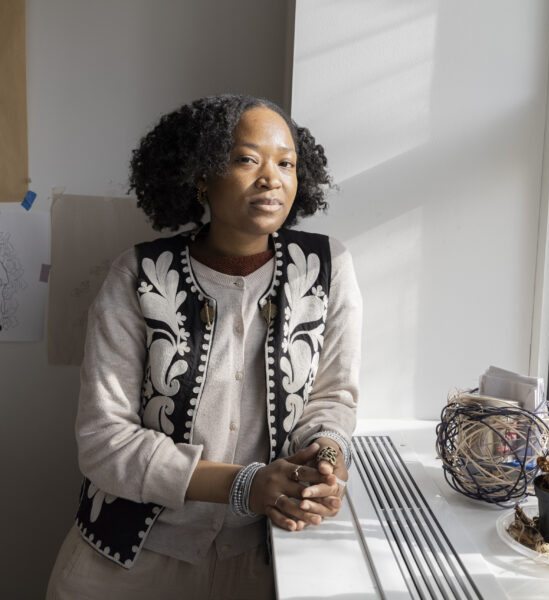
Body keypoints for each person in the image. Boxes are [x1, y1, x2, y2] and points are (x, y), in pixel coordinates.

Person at [46, 94, 362, 599]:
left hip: (262, 561)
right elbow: (105, 441)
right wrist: (245, 485)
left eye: (286, 163)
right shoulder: (137, 274)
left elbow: (331, 398)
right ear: (202, 175)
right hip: (129, 562)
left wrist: (325, 458)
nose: (271, 177)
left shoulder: (327, 268)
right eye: (246, 159)